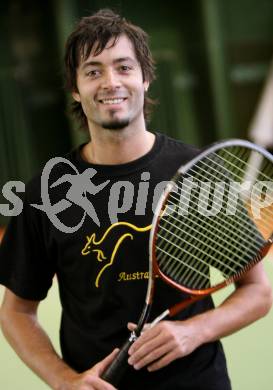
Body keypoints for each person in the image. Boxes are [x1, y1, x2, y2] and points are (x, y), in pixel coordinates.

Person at [0, 9, 272, 390]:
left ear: (145, 78)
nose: (111, 82)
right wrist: (64, 380)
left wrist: (192, 332)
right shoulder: (47, 193)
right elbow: (16, 312)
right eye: (93, 71)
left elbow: (257, 291)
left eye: (124, 67)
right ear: (76, 89)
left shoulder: (199, 173)